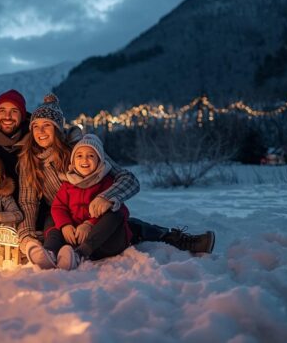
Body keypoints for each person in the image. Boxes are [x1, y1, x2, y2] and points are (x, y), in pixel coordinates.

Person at [18, 94, 216, 260]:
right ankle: (53, 255)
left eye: (47, 125)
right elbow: (28, 202)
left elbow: (128, 179)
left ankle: (179, 240)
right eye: (36, 126)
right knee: (57, 226)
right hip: (60, 216)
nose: (41, 131)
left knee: (122, 220)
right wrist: (26, 237)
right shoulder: (30, 160)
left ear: (58, 128)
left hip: (93, 213)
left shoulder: (82, 150)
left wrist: (106, 196)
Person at [28, 134, 132, 270]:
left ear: (100, 161)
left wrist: (89, 224)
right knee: (53, 217)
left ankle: (80, 255)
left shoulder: (106, 182)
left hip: (105, 241)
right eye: (79, 156)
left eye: (91, 155)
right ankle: (50, 251)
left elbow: (122, 210)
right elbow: (58, 207)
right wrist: (65, 225)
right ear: (73, 162)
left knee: (114, 213)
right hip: (76, 235)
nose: (85, 159)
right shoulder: (68, 184)